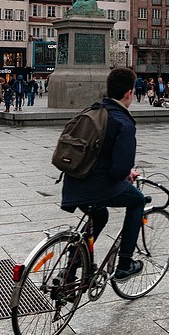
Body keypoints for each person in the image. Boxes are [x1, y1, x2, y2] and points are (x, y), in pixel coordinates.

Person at [60, 68, 147, 282]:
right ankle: (125, 264)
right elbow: (118, 170)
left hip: (73, 183)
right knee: (137, 201)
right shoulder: (123, 122)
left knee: (101, 215)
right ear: (129, 93)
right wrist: (127, 173)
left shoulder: (93, 110)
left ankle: (70, 268)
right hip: (98, 186)